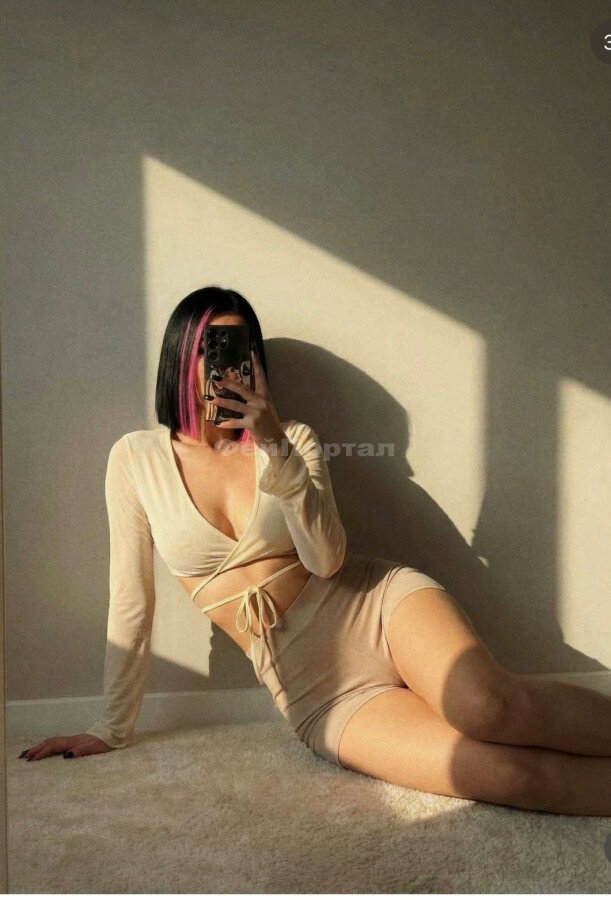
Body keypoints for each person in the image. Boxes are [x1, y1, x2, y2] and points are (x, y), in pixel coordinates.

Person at [20, 286, 611, 817]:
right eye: (208, 349)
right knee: (510, 775)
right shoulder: (135, 459)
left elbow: (326, 559)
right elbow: (131, 600)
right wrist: (111, 727)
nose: (221, 367)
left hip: (374, 607)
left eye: (237, 350)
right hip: (319, 690)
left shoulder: (293, 440)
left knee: (488, 708)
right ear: (180, 355)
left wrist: (274, 445)